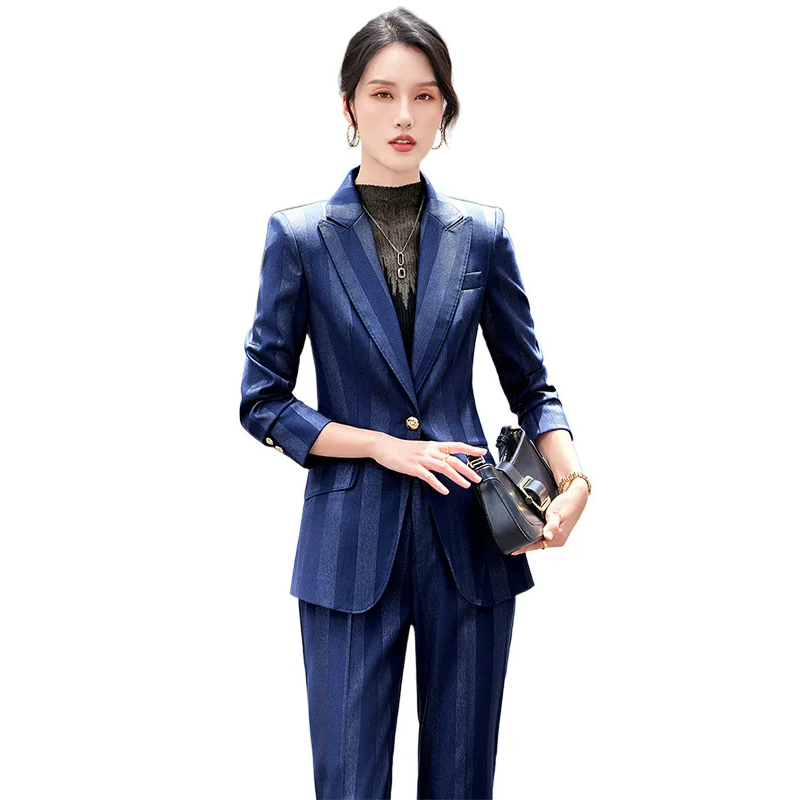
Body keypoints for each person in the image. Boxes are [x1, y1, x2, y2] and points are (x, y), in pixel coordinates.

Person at [239, 8, 590, 799]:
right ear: (348, 105)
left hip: (470, 539)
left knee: (463, 783)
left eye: (425, 96)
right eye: (383, 93)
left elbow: (532, 385)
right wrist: (379, 444)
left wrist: (575, 482)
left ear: (445, 109)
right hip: (347, 546)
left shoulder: (483, 234)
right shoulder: (299, 237)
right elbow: (262, 401)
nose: (404, 115)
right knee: (348, 784)